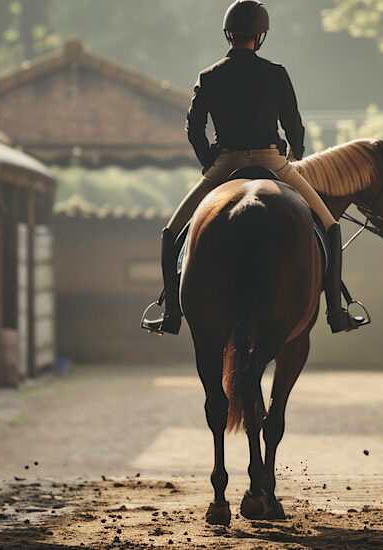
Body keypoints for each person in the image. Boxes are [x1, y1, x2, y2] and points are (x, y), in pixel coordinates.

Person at [141, 0, 366, 336]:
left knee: (171, 233)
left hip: (225, 163)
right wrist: (294, 157)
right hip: (273, 162)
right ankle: (336, 311)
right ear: (260, 36)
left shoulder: (209, 76)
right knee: (331, 227)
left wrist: (210, 162)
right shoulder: (276, 73)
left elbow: (193, 127)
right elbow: (294, 125)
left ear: (228, 34)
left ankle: (171, 313)